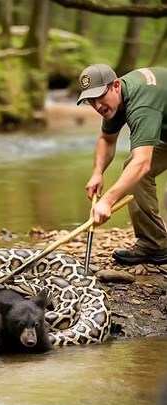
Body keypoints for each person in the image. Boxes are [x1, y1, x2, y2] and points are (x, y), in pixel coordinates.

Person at [77, 63, 167, 266]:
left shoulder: (142, 104)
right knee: (134, 172)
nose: (97, 106)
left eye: (100, 97)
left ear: (116, 85)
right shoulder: (116, 100)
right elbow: (106, 140)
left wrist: (107, 201)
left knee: (138, 168)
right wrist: (97, 173)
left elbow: (142, 161)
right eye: (91, 101)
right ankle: (154, 244)